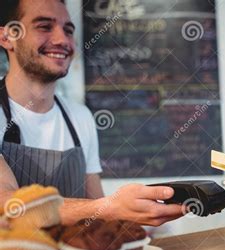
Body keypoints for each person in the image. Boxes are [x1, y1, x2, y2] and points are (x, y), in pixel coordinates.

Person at [0, 0, 183, 226]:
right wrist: (109, 207)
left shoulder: (80, 117)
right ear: (7, 37)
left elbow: (98, 214)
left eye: (68, 30)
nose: (62, 40)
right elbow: (6, 202)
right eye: (44, 27)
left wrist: (131, 222)